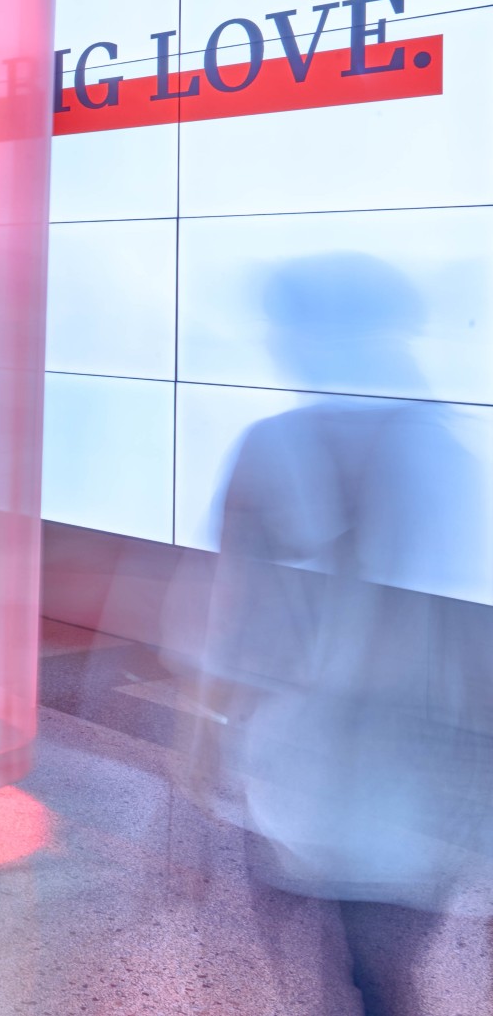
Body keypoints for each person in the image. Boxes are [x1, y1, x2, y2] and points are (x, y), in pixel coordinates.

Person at [188, 253, 492, 1015]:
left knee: (322, 972)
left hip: (297, 759)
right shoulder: (447, 451)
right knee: (384, 977)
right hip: (418, 773)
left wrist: (205, 737)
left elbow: (235, 619)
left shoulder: (270, 447)